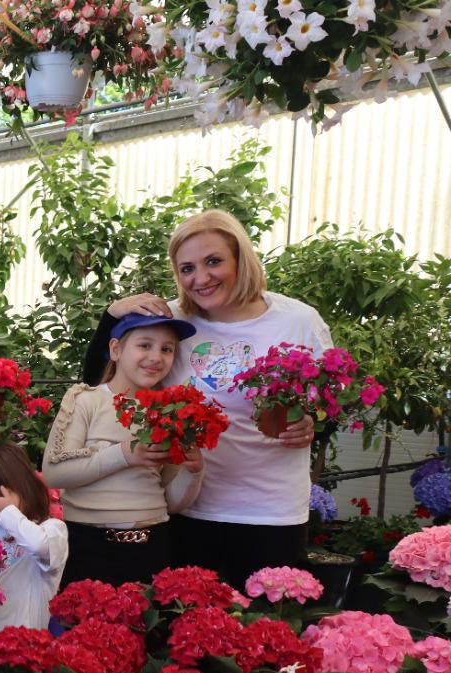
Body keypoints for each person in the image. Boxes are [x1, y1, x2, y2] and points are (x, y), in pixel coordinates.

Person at [79, 209, 329, 589]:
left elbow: (327, 394)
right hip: (183, 507)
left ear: (240, 259)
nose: (201, 278)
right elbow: (99, 380)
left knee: (264, 635)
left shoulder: (297, 320)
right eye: (187, 268)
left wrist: (313, 420)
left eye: (214, 261)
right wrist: (110, 317)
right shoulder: (171, 320)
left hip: (270, 513)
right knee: (183, 632)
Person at [44, 314, 204, 587]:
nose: (156, 357)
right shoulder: (86, 400)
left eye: (167, 349)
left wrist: (194, 471)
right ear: (116, 349)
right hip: (87, 546)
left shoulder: (169, 412)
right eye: (144, 345)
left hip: (152, 545)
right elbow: (55, 473)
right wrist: (125, 455)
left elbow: (172, 502)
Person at [0, 443, 68, 634]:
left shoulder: (51, 529)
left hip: (22, 648)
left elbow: (37, 544)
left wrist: (8, 511)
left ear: (23, 485)